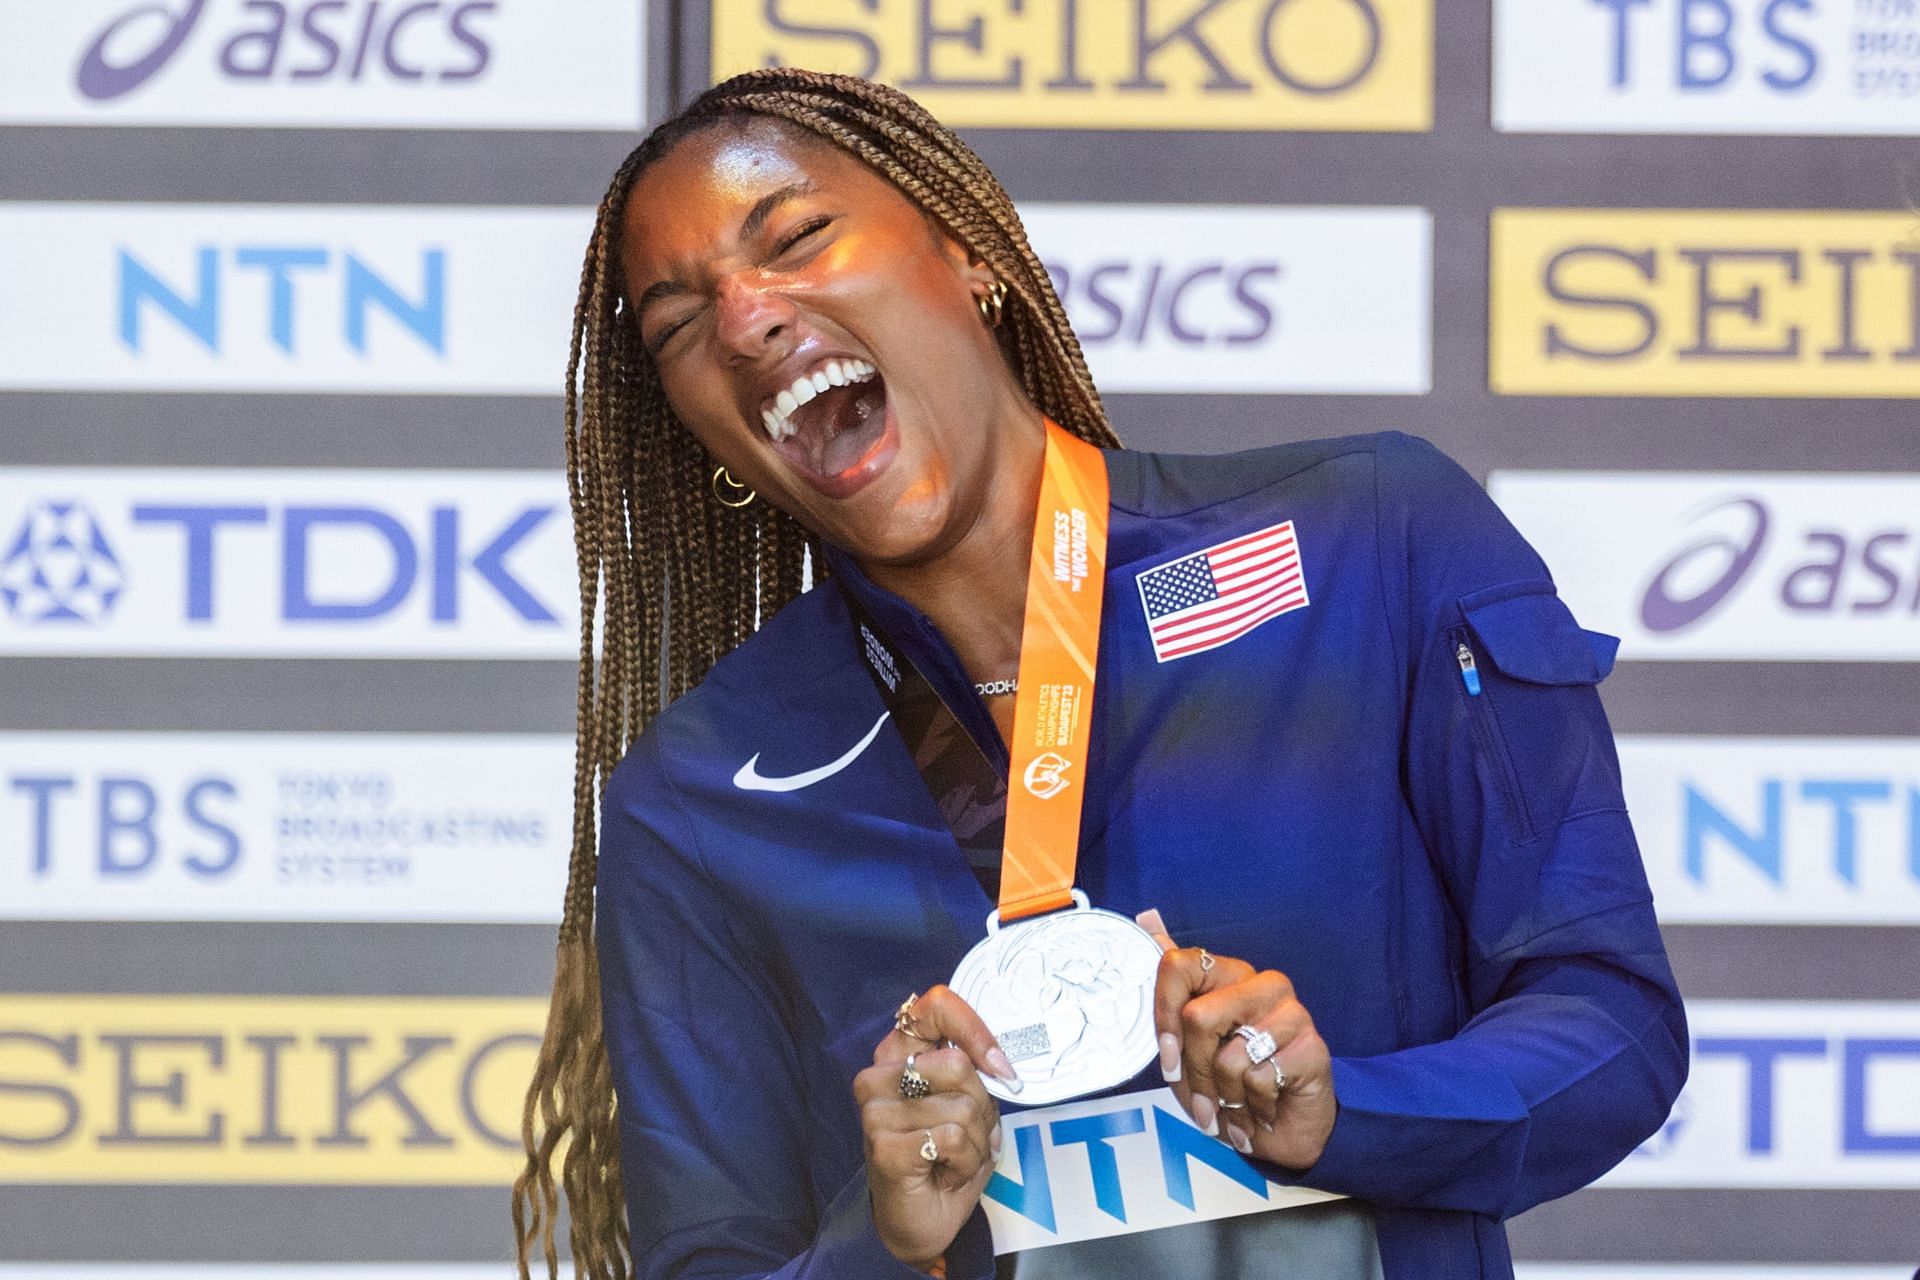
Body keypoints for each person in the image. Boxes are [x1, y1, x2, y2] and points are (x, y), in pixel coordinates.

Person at [510, 68, 1688, 1280]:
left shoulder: (1371, 540)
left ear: (970, 255)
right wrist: (889, 1233)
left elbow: (1613, 1021)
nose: (748, 318)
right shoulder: (701, 794)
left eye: (798, 237)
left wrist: (1349, 1114)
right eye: (678, 325)